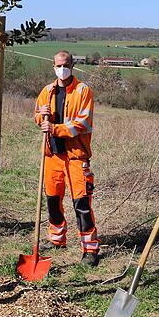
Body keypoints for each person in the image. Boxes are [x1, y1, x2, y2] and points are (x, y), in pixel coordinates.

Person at [34, 51, 100, 267]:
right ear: (53, 67)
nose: (62, 69)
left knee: (81, 202)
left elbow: (82, 123)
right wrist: (41, 116)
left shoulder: (83, 91)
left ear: (72, 65)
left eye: (66, 65)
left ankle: (89, 250)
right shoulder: (47, 91)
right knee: (52, 200)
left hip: (75, 156)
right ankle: (57, 239)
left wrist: (54, 128)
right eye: (58, 65)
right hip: (52, 155)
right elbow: (37, 115)